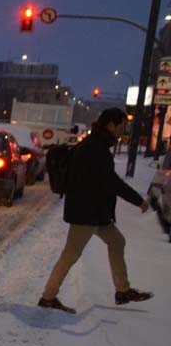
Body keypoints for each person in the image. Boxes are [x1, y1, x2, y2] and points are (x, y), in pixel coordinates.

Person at [39, 108, 152, 314]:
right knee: (70, 254)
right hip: (87, 213)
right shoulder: (95, 149)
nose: (123, 131)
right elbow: (111, 182)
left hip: (95, 212)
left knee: (117, 241)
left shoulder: (95, 145)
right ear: (110, 125)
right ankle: (48, 297)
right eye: (121, 127)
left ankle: (123, 291)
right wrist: (138, 201)